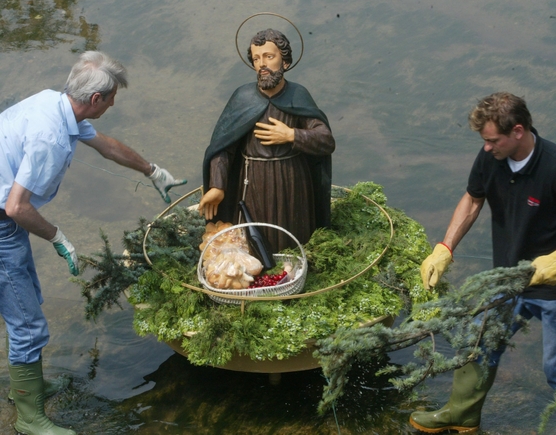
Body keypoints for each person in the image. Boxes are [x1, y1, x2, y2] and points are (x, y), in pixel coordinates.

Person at [0, 51, 186, 435]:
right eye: (113, 96)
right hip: (3, 221)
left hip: (6, 216)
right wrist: (59, 238)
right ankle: (30, 420)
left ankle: (27, 387)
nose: (115, 102)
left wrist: (152, 171)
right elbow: (17, 207)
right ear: (96, 99)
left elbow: (106, 145)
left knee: (26, 296)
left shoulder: (55, 104)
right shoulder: (50, 136)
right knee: (26, 321)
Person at [410, 92, 556, 434]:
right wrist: (445, 247)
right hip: (506, 279)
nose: (487, 148)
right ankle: (461, 415)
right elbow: (474, 198)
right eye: (484, 141)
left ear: (518, 130)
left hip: (554, 287)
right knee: (478, 344)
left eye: (493, 140)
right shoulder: (491, 156)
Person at [200, 28, 335, 252]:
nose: (261, 64)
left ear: (285, 63)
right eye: (256, 58)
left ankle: (294, 268)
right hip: (253, 180)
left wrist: (292, 135)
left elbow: (326, 140)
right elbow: (223, 147)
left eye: (268, 57)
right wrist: (217, 185)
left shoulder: (298, 96)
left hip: (292, 179)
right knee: (252, 238)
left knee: (293, 236)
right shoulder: (242, 98)